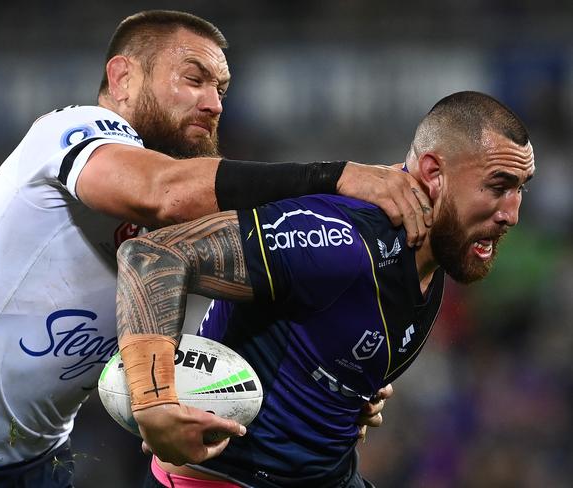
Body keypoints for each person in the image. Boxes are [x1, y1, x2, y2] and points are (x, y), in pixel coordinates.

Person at [0, 10, 428, 487]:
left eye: (221, 90)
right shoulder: (67, 131)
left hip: (40, 461)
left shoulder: (194, 239)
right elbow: (161, 192)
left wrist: (334, 391)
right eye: (194, 79)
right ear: (123, 78)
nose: (214, 105)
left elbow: (214, 355)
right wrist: (332, 177)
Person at [114, 91, 535, 487]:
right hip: (229, 477)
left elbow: (328, 336)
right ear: (433, 174)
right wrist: (154, 403)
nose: (512, 213)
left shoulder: (435, 251)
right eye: (498, 187)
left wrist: (348, 394)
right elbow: (152, 257)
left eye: (521, 189)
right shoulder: (339, 240)